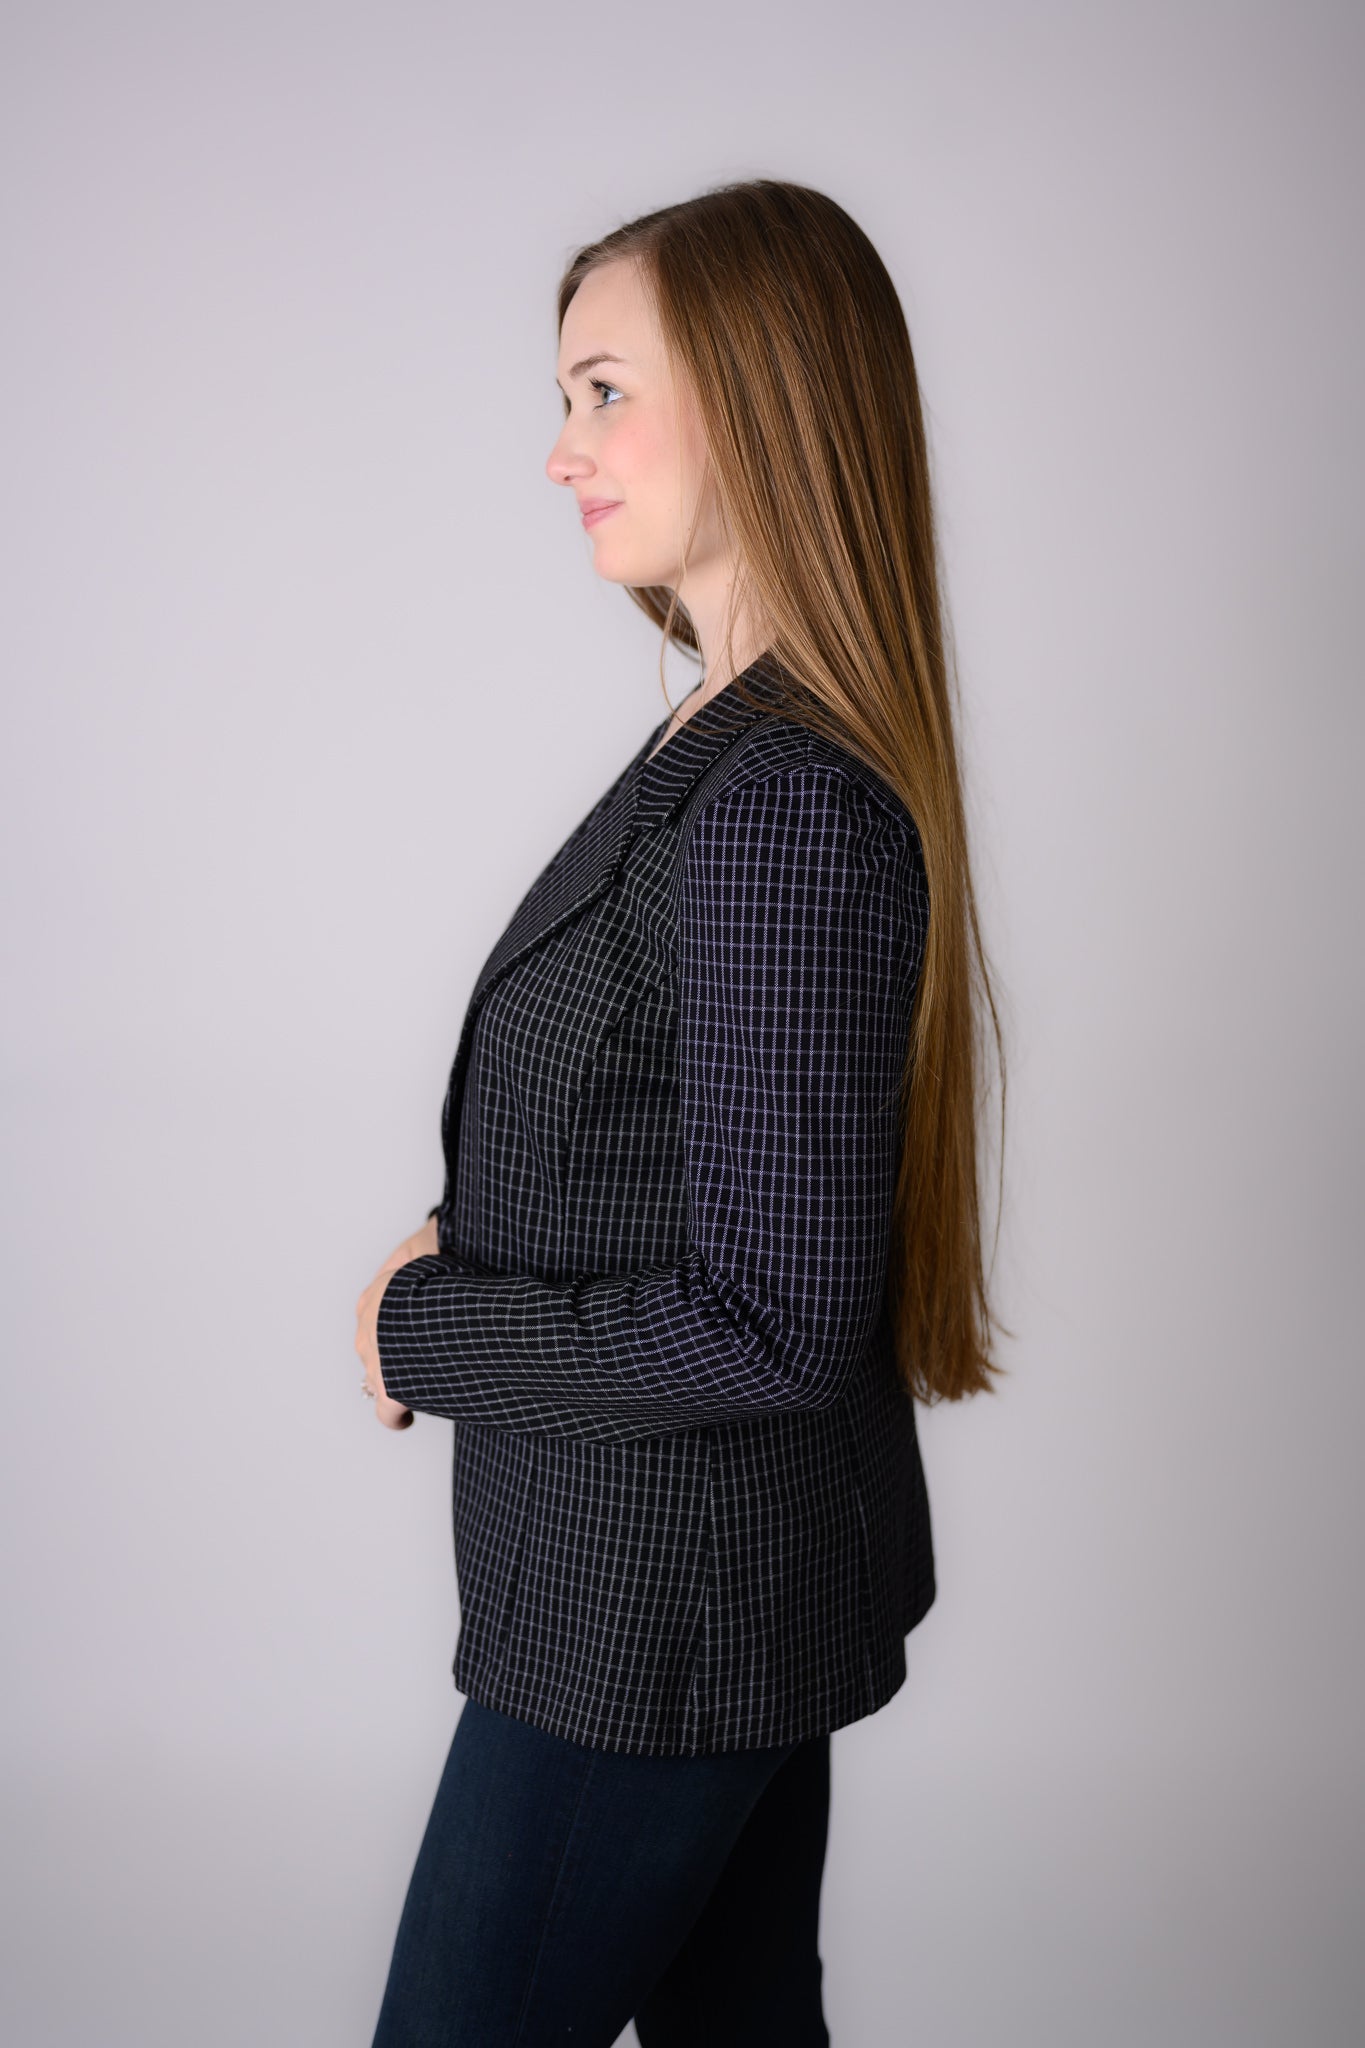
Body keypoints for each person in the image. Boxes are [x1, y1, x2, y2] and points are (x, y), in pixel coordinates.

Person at [355, 177, 1007, 2047]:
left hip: (654, 1617)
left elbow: (768, 1320)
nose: (560, 450)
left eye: (604, 391)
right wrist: (466, 1225)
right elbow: (652, 1123)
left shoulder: (777, 795)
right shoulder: (717, 738)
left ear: (764, 391)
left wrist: (421, 1325)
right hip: (700, 1590)